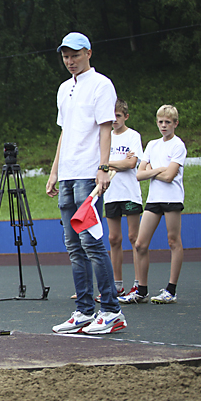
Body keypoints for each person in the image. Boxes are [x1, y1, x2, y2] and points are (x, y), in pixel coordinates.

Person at [46, 32, 127, 335]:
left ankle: (111, 310)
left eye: (75, 55)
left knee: (91, 243)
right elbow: (65, 132)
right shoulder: (64, 88)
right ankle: (84, 310)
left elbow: (105, 129)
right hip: (67, 175)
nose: (70, 61)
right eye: (66, 56)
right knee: (73, 246)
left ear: (88, 53)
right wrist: (54, 171)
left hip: (88, 175)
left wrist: (103, 168)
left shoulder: (102, 84)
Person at [123, 105, 186, 304]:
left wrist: (152, 170)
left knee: (173, 241)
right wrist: (158, 168)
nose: (164, 126)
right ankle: (141, 290)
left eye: (168, 122)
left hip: (172, 199)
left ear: (175, 123)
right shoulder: (152, 145)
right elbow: (139, 174)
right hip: (154, 200)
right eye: (160, 122)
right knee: (140, 244)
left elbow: (169, 177)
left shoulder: (178, 146)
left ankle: (171, 290)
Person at [104, 99, 143, 297]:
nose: (115, 120)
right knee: (113, 238)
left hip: (129, 193)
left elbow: (131, 164)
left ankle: (138, 284)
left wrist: (109, 164)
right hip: (111, 193)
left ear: (125, 116)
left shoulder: (133, 136)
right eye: (112, 116)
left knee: (134, 238)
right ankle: (116, 285)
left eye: (118, 116)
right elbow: (99, 163)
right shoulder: (105, 137)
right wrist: (117, 162)